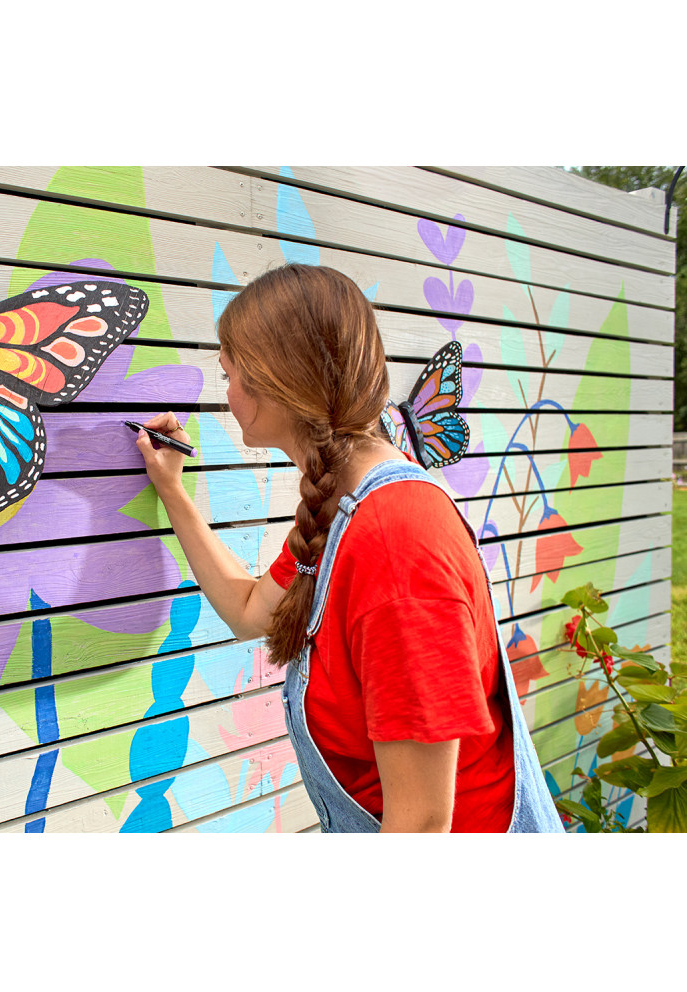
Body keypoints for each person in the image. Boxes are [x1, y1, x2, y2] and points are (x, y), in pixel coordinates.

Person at [135, 263, 563, 833]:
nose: (228, 394)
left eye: (229, 375)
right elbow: (248, 611)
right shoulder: (342, 508)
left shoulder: (394, 540)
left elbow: (421, 823)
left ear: (273, 382)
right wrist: (171, 489)